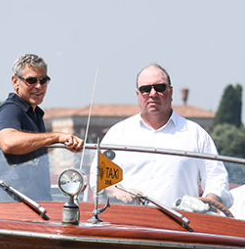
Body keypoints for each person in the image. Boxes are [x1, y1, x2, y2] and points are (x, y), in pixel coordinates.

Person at [98, 63, 231, 210]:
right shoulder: (118, 134)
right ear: (138, 94)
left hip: (181, 225)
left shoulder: (196, 134)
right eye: (146, 89)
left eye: (160, 88)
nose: (153, 94)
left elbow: (216, 178)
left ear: (171, 92)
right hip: (128, 224)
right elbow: (99, 176)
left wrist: (206, 203)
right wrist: (117, 190)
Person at [0, 54, 83, 201]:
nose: (38, 86)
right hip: (9, 208)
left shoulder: (36, 115)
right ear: (15, 81)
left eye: (43, 80)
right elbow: (8, 142)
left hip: (37, 207)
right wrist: (56, 137)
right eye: (31, 80)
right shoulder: (11, 109)